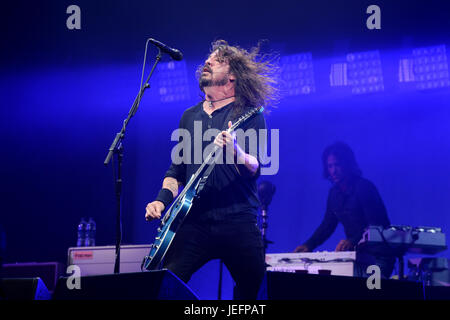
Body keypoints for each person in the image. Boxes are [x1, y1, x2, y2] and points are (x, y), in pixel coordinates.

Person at [145, 40, 278, 299]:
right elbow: (176, 172)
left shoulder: (249, 114)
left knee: (257, 292)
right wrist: (160, 201)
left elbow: (255, 167)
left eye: (218, 60)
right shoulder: (189, 116)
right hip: (195, 221)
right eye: (208, 58)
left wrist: (236, 151)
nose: (208, 62)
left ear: (232, 76)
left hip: (238, 220)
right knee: (163, 286)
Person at [294, 141, 395, 278]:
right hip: (358, 257)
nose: (333, 170)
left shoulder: (364, 187)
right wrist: (308, 245)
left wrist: (352, 241)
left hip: (379, 258)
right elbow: (327, 225)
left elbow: (376, 225)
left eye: (337, 165)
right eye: (330, 166)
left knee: (372, 293)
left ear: (348, 165)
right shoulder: (334, 194)